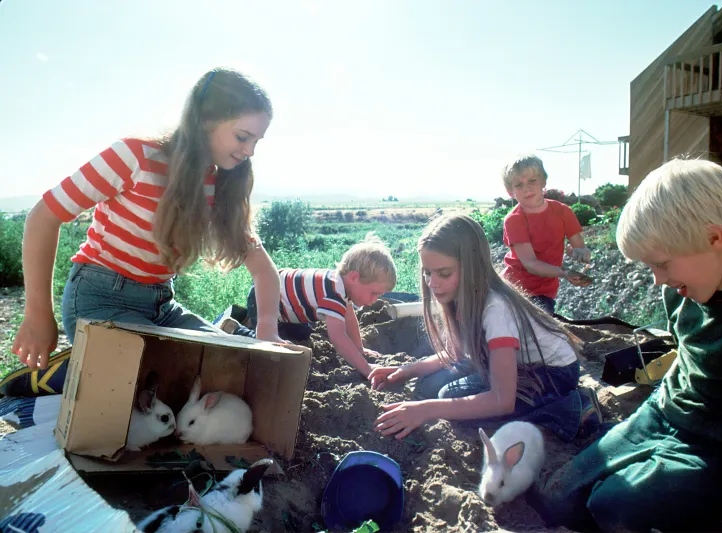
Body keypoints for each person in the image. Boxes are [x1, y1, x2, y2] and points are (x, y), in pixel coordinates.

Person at [533, 158, 722, 532]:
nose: (658, 278)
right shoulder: (679, 292)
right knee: (558, 500)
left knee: (614, 507)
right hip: (659, 417)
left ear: (714, 237)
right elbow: (686, 354)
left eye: (662, 263)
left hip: (721, 448)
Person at [12, 68, 284, 381]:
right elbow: (44, 216)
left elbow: (263, 270)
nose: (249, 151)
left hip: (161, 305)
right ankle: (64, 375)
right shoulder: (135, 156)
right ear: (206, 120)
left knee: (230, 370)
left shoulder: (221, 182)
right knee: (158, 381)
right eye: (242, 136)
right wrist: (37, 315)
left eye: (256, 141)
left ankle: (93, 367)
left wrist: (266, 332)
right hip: (100, 295)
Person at [369, 214, 601, 441]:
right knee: (431, 384)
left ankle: (570, 408)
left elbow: (502, 399)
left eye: (444, 273)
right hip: (519, 364)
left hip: (553, 372)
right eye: (427, 273)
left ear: (472, 267)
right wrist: (406, 370)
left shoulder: (495, 309)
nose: (432, 283)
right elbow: (456, 353)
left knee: (451, 398)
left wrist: (424, 410)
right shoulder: (461, 296)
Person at [220, 236, 397, 380]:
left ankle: (254, 324)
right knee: (270, 345)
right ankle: (235, 329)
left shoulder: (340, 286)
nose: (374, 300)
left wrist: (359, 348)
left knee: (302, 335)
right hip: (264, 298)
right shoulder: (334, 292)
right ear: (354, 277)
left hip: (289, 307)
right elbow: (339, 339)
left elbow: (349, 320)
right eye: (374, 293)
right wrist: (367, 369)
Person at [500, 154, 591, 315]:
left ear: (544, 181)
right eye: (519, 185)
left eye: (532, 181)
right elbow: (531, 264)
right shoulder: (514, 220)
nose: (527, 188)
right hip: (514, 290)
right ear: (510, 192)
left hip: (545, 291)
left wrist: (578, 254)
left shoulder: (563, 212)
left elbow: (582, 250)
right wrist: (564, 272)